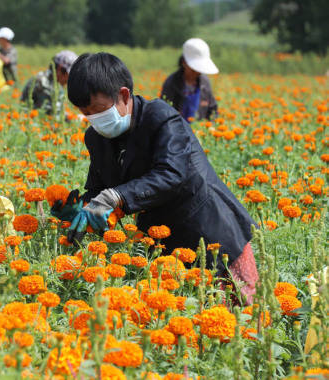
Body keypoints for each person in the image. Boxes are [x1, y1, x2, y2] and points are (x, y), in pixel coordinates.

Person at [53, 52, 258, 304]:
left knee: (241, 317)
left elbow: (172, 173)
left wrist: (118, 196)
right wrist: (80, 209)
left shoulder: (161, 118)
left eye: (97, 110)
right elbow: (99, 188)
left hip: (210, 234)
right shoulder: (95, 138)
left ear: (124, 95)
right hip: (160, 246)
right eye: (86, 113)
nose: (94, 120)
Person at [161, 38, 218, 122]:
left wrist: (210, 126)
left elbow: (212, 110)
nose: (197, 72)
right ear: (184, 62)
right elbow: (163, 113)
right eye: (194, 69)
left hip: (200, 130)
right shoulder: (172, 83)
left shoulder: (205, 83)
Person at [21, 50, 78, 116]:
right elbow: (50, 113)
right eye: (70, 75)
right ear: (60, 69)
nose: (70, 80)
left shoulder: (56, 82)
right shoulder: (43, 82)